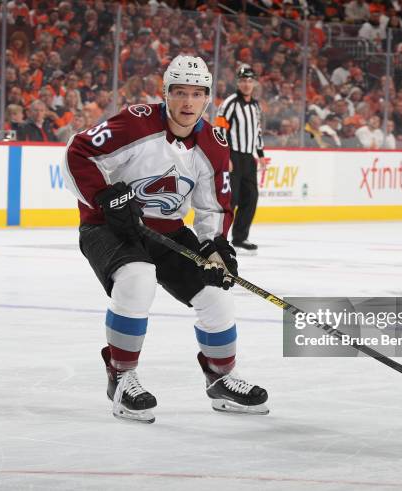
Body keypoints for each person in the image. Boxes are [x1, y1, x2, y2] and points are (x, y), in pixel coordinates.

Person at [63, 55, 269, 424]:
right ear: (165, 94)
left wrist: (216, 246)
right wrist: (104, 197)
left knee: (216, 294)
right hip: (108, 227)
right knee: (137, 279)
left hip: (169, 231)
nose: (187, 102)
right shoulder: (135, 123)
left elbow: (214, 208)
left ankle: (221, 378)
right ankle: (122, 375)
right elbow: (78, 152)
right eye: (179, 93)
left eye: (196, 94)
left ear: (207, 98)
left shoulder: (214, 144)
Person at [215, 65, 267, 252]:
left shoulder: (255, 106)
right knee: (231, 199)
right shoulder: (230, 103)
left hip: (248, 157)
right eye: (243, 80)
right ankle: (220, 237)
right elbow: (220, 129)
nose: (246, 84)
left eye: (249, 80)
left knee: (250, 198)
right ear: (238, 82)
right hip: (233, 156)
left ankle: (239, 238)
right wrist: (225, 155)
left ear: (254, 83)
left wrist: (260, 155)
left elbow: (257, 131)